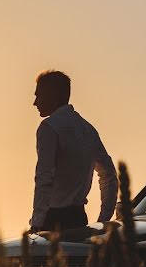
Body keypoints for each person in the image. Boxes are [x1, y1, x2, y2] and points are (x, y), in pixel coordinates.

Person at [30, 70, 118, 233]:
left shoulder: (48, 128)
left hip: (52, 221)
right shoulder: (87, 129)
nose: (35, 102)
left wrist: (37, 222)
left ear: (53, 95)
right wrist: (103, 220)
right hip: (79, 219)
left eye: (39, 95)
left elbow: (44, 177)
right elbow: (109, 175)